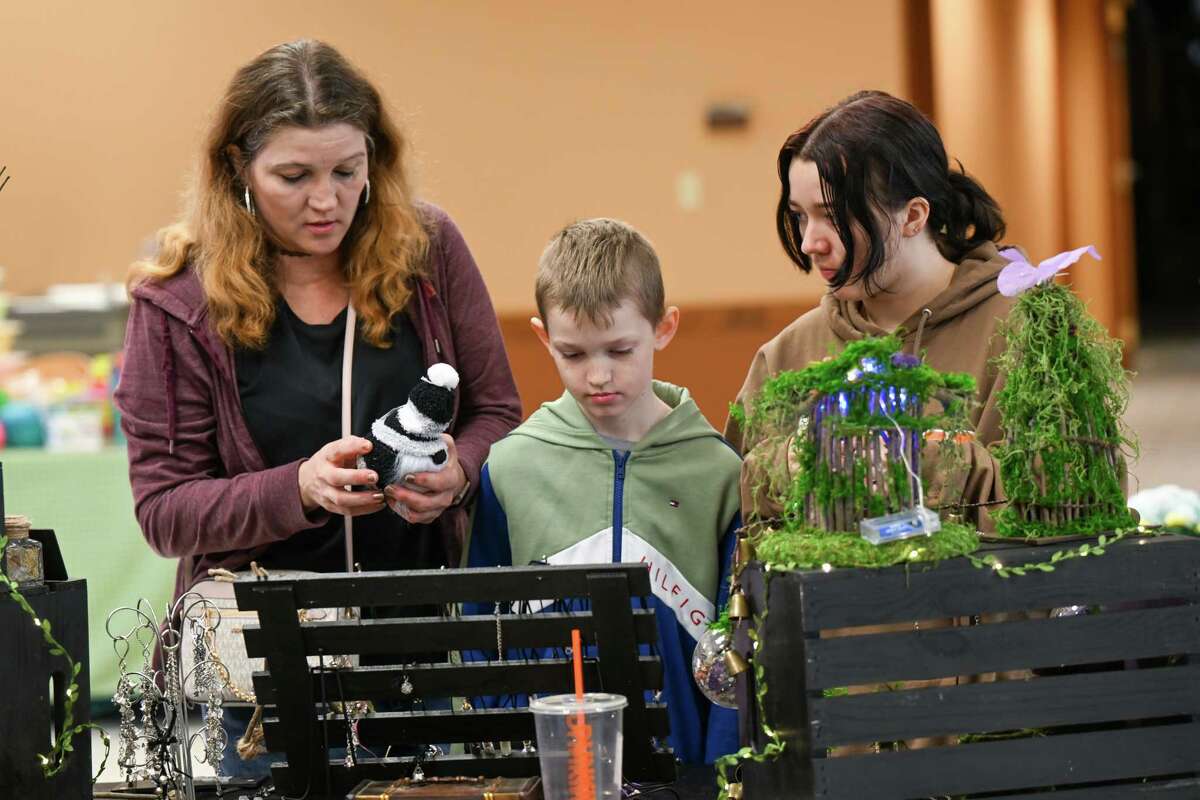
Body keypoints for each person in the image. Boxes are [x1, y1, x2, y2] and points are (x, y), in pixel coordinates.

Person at [114, 39, 521, 775]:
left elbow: (497, 412)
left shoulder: (429, 251)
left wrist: (457, 470)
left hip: (419, 655)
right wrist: (297, 488)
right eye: (293, 177)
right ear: (237, 166)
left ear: (377, 158)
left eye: (347, 171)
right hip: (258, 682)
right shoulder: (176, 300)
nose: (327, 200)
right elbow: (165, 511)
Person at [465, 218, 741, 765]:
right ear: (544, 337)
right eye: (573, 354)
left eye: (619, 351)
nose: (597, 375)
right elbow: (480, 624)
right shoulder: (512, 466)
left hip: (682, 768)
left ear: (664, 328)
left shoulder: (719, 472)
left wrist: (718, 768)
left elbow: (735, 644)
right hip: (546, 767)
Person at [725, 90, 1015, 531]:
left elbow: (1064, 513)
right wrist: (798, 463)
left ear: (914, 216)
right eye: (800, 216)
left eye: (833, 215)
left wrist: (921, 459)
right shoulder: (784, 356)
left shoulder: (1024, 332)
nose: (810, 243)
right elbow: (740, 527)